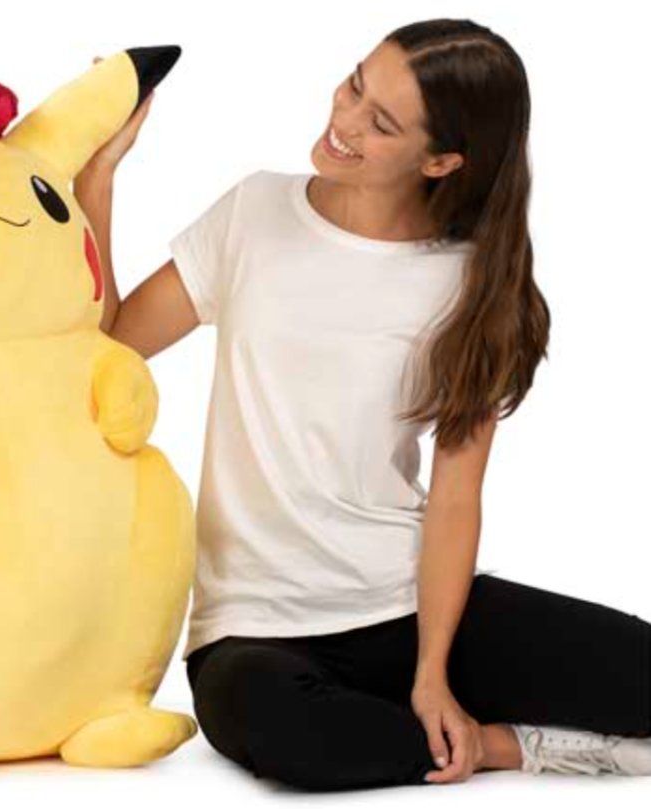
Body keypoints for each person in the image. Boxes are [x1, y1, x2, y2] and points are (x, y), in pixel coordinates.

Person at [72, 18, 651, 790]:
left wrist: (432, 673)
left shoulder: (471, 282)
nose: (344, 120)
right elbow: (113, 340)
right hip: (254, 629)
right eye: (354, 85)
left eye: (381, 123)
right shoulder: (254, 212)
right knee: (290, 734)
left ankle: (449, 727)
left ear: (441, 160)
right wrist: (99, 175)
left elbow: (455, 499)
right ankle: (501, 746)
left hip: (405, 603)